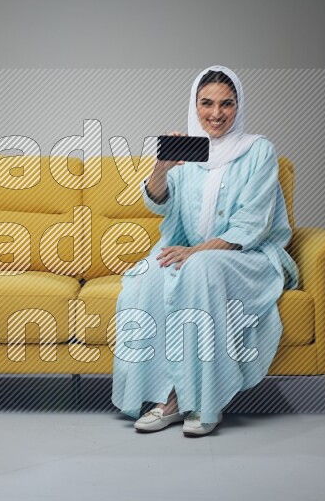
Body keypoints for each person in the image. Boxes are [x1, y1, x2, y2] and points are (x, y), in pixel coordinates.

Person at [111, 65, 300, 436]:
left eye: (227, 104)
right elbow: (161, 205)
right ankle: (165, 396)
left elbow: (252, 224)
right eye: (207, 103)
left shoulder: (258, 151)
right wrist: (161, 169)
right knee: (148, 277)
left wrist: (198, 251)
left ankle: (200, 402)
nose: (216, 114)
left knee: (200, 270)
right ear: (195, 105)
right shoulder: (190, 152)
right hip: (191, 250)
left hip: (245, 258)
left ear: (239, 106)